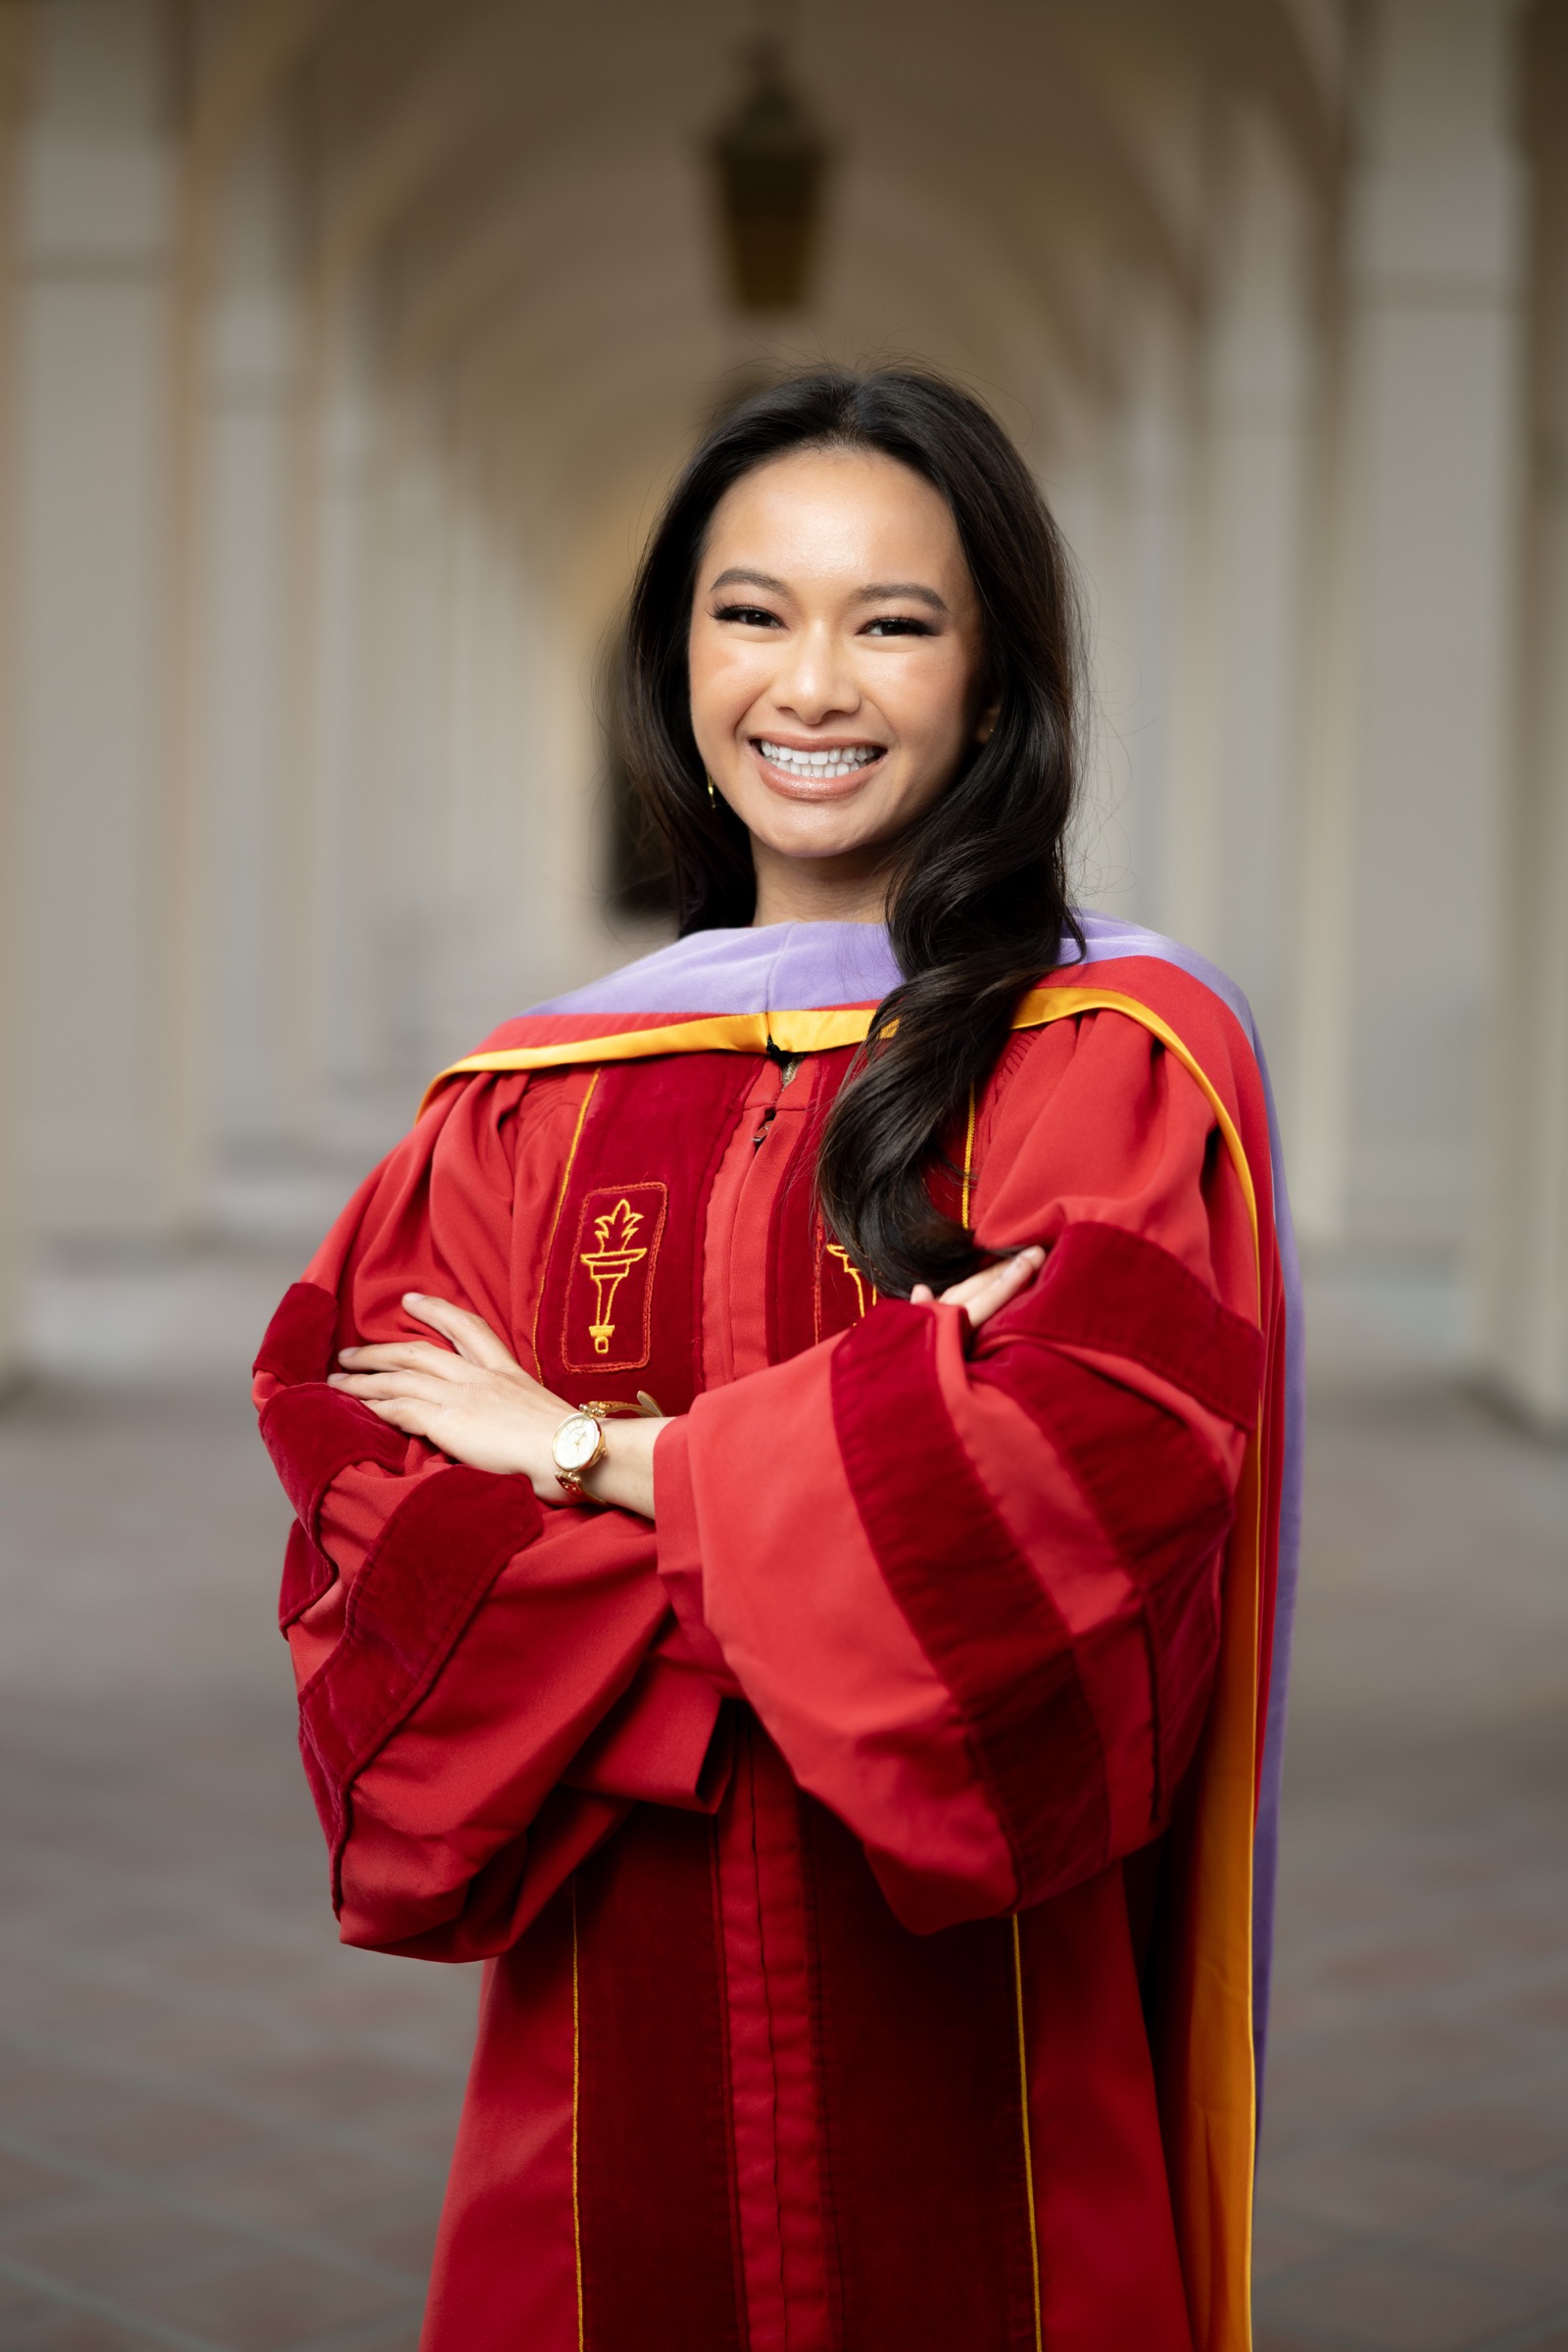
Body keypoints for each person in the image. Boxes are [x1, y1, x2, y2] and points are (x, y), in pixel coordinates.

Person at [254, 368, 1299, 2352]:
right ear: (674, 659)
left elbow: (1098, 1480)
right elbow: (374, 1539)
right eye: (752, 613)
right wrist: (868, 1470)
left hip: (985, 2050)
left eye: (890, 622)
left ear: (991, 688)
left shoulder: (1112, 1060)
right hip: (599, 2053)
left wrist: (592, 1460)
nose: (809, 686)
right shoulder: (516, 1104)